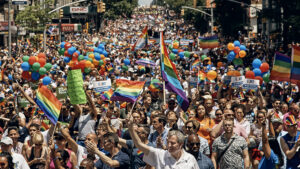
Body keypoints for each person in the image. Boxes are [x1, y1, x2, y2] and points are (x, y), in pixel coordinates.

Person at [127, 116, 199, 169]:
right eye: (168, 142)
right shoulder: (160, 155)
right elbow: (139, 145)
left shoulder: (190, 159)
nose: (169, 145)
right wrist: (131, 128)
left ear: (181, 144)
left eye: (173, 143)